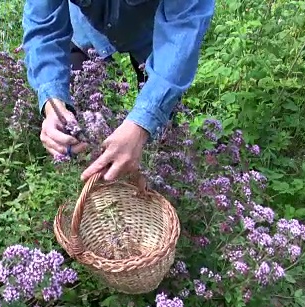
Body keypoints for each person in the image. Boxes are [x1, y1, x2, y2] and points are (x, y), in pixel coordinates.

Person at [21, 0, 215, 182]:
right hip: (86, 27)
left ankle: (153, 188)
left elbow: (182, 32)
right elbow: (43, 27)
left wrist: (141, 125)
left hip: (151, 29)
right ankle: (91, 200)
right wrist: (52, 101)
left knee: (157, 131)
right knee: (77, 133)